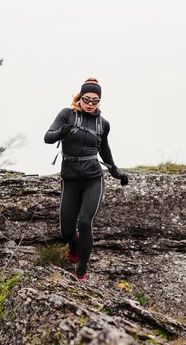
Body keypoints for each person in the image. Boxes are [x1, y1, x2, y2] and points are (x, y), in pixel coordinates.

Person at [44, 78, 129, 281]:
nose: (90, 104)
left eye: (95, 101)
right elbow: (48, 137)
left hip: (93, 179)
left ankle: (81, 270)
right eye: (87, 99)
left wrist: (115, 172)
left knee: (84, 222)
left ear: (99, 101)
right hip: (70, 179)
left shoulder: (103, 124)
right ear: (79, 97)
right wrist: (62, 131)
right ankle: (74, 246)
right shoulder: (67, 115)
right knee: (66, 231)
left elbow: (105, 149)